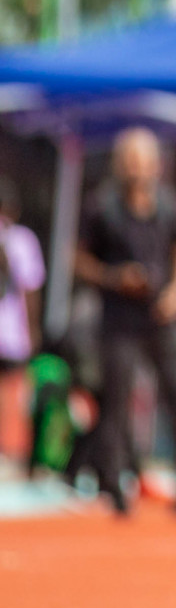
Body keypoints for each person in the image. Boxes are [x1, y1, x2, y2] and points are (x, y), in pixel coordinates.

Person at [74, 129, 176, 515]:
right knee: (117, 403)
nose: (137, 167)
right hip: (119, 318)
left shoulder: (173, 205)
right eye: (130, 160)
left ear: (156, 164)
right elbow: (80, 259)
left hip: (162, 317)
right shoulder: (100, 206)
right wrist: (113, 277)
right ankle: (115, 487)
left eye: (143, 159)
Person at [0, 177, 44, 469]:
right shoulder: (20, 240)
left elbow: (29, 288)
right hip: (12, 333)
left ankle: (11, 453)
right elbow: (31, 291)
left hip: (11, 334)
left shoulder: (20, 240)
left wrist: (32, 330)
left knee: (13, 393)